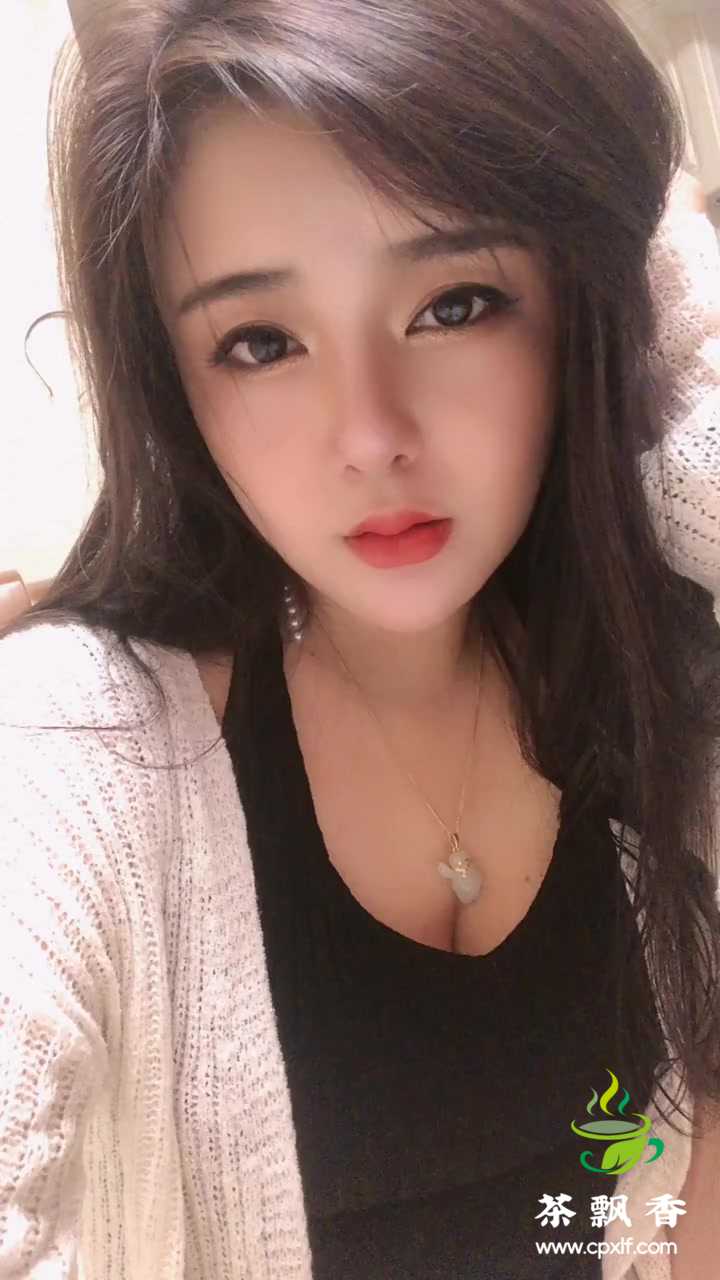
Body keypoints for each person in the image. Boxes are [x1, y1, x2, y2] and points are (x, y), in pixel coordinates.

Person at [1, 1, 720, 1277]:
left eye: (456, 303)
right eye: (260, 342)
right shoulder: (76, 748)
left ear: (584, 308)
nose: (371, 435)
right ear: (175, 387)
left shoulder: (650, 668)